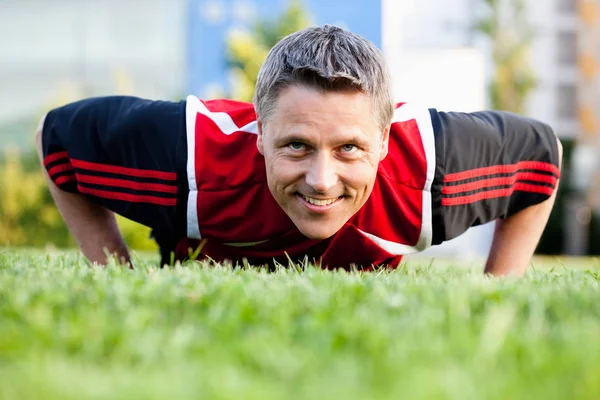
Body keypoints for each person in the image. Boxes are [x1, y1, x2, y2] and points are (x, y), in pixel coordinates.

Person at [35, 25, 562, 276]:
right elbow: (56, 139)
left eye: (350, 148)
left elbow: (542, 157)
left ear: (384, 142)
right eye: (296, 146)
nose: (321, 180)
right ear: (259, 135)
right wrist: (114, 275)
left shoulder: (428, 170)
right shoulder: (195, 156)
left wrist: (499, 293)